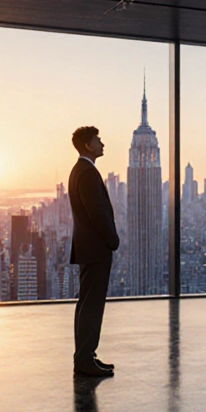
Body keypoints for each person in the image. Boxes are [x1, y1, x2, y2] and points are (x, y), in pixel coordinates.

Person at [69, 126, 118, 377]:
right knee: (92, 305)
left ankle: (86, 356)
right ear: (88, 145)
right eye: (98, 140)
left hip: (88, 247)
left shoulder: (80, 170)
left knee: (87, 303)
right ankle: (84, 360)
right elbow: (96, 212)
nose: (102, 143)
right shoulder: (87, 173)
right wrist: (112, 240)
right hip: (96, 248)